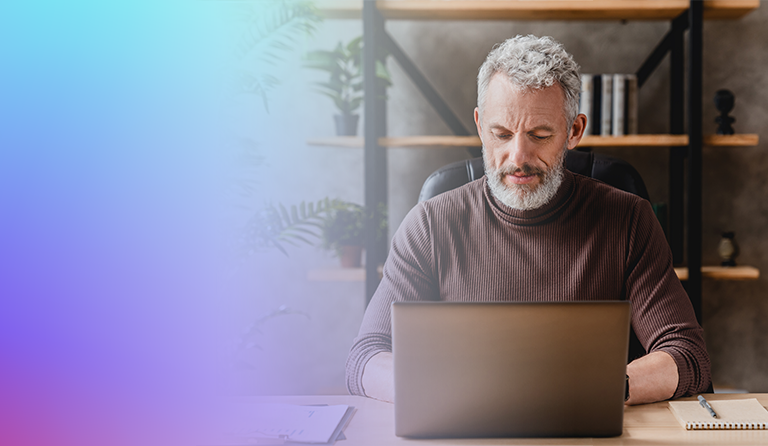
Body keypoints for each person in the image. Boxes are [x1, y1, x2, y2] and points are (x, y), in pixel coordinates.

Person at [345, 35, 711, 406]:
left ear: (574, 131)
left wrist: (601, 385)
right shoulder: (429, 225)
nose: (518, 156)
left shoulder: (629, 221)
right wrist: (440, 392)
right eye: (501, 134)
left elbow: (687, 356)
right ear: (479, 126)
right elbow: (366, 358)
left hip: (584, 421)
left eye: (539, 135)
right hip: (463, 424)